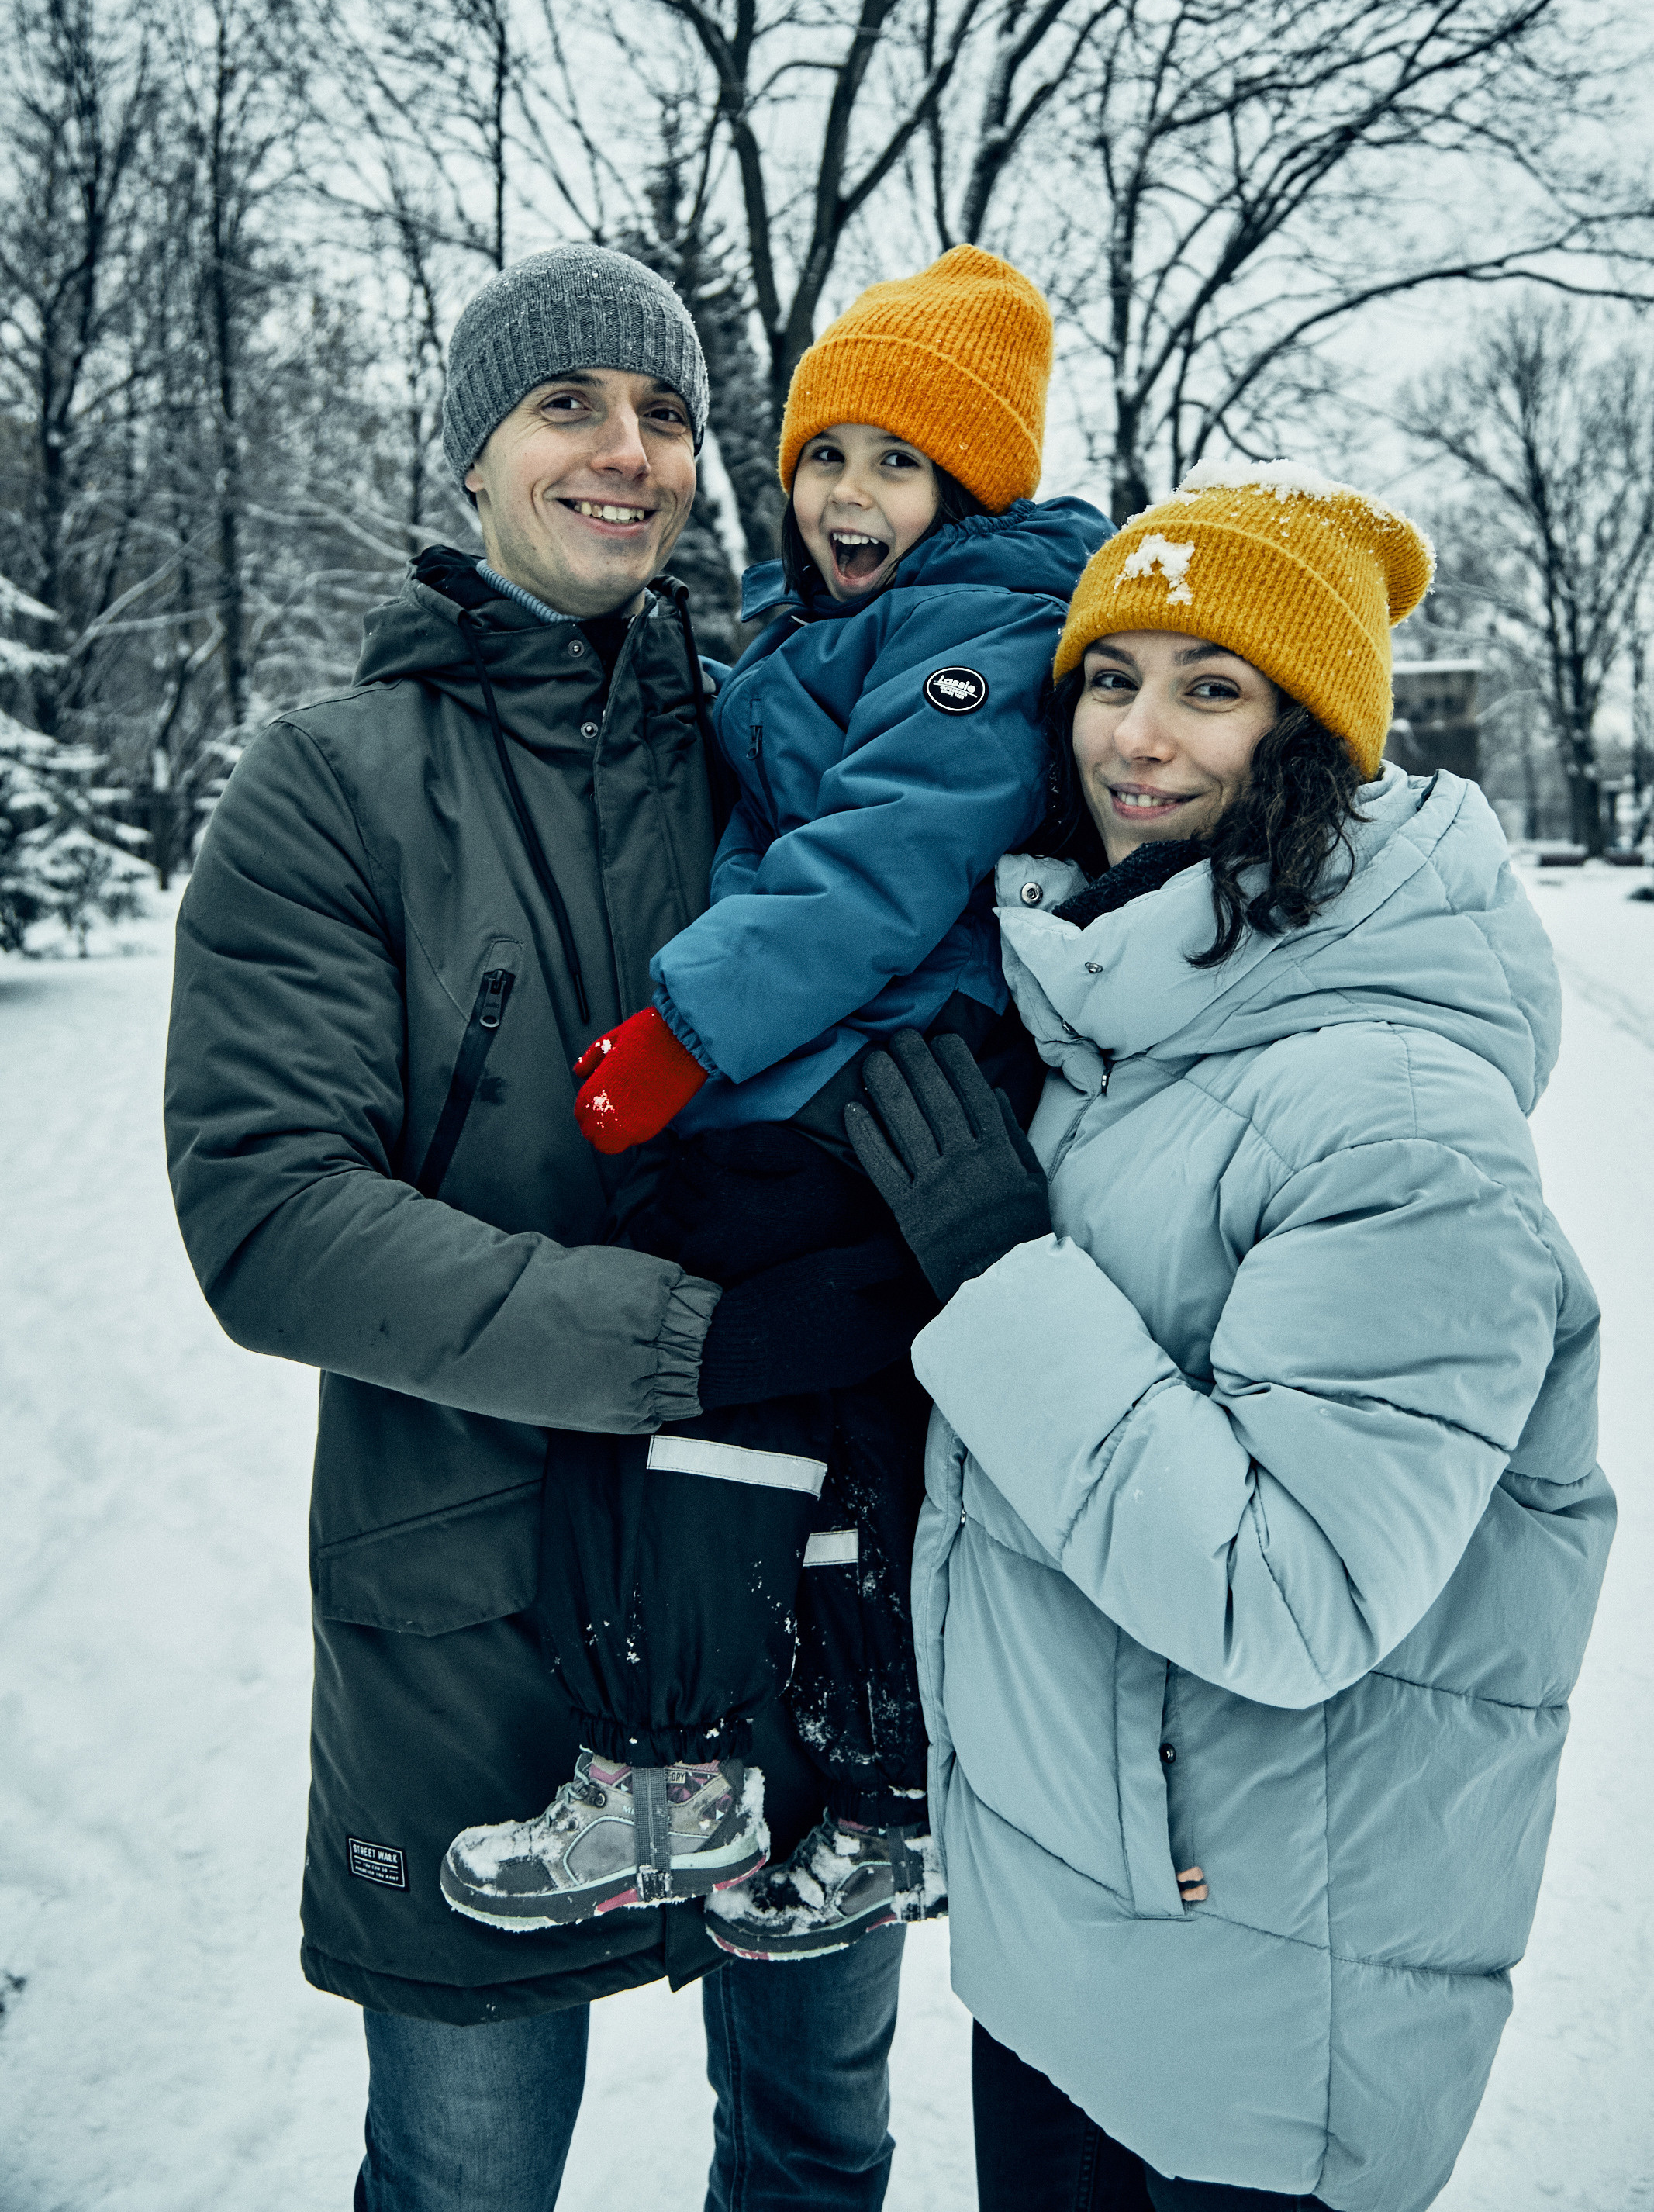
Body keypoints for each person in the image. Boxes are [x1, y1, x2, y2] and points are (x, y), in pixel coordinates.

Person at [164, 243, 930, 2211]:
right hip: (472, 1625)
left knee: (816, 2149)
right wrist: (678, 1340)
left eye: (667, 413)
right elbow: (272, 1213)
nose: (629, 453)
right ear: (471, 456)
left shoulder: (787, 745)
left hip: (789, 1599)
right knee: (462, 2180)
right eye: (568, 406)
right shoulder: (328, 789)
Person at [843, 461, 1615, 2210]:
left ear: (1309, 742)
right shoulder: (1121, 1024)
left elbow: (1290, 1599)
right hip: (1077, 1944)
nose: (1139, 737)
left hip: (1265, 2014)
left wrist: (995, 1275)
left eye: (1211, 688)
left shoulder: (1400, 1115)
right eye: (1110, 678)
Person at [439, 244, 1108, 1959]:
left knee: (717, 1357)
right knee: (806, 1415)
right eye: (825, 452)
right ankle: (843, 1781)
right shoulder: (821, 630)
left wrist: (682, 1031)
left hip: (885, 1075)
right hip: (815, 1072)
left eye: (898, 459)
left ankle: (678, 1755)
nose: (848, 491)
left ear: (966, 485)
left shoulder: (979, 632)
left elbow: (875, 868)